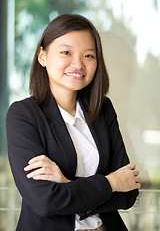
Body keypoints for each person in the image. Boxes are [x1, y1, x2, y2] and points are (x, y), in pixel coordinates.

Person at [6, 14, 141, 231]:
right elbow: (44, 201)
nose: (78, 64)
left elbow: (129, 192)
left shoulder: (103, 110)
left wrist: (67, 184)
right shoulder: (23, 115)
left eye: (89, 55)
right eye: (66, 52)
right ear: (43, 55)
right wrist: (111, 183)